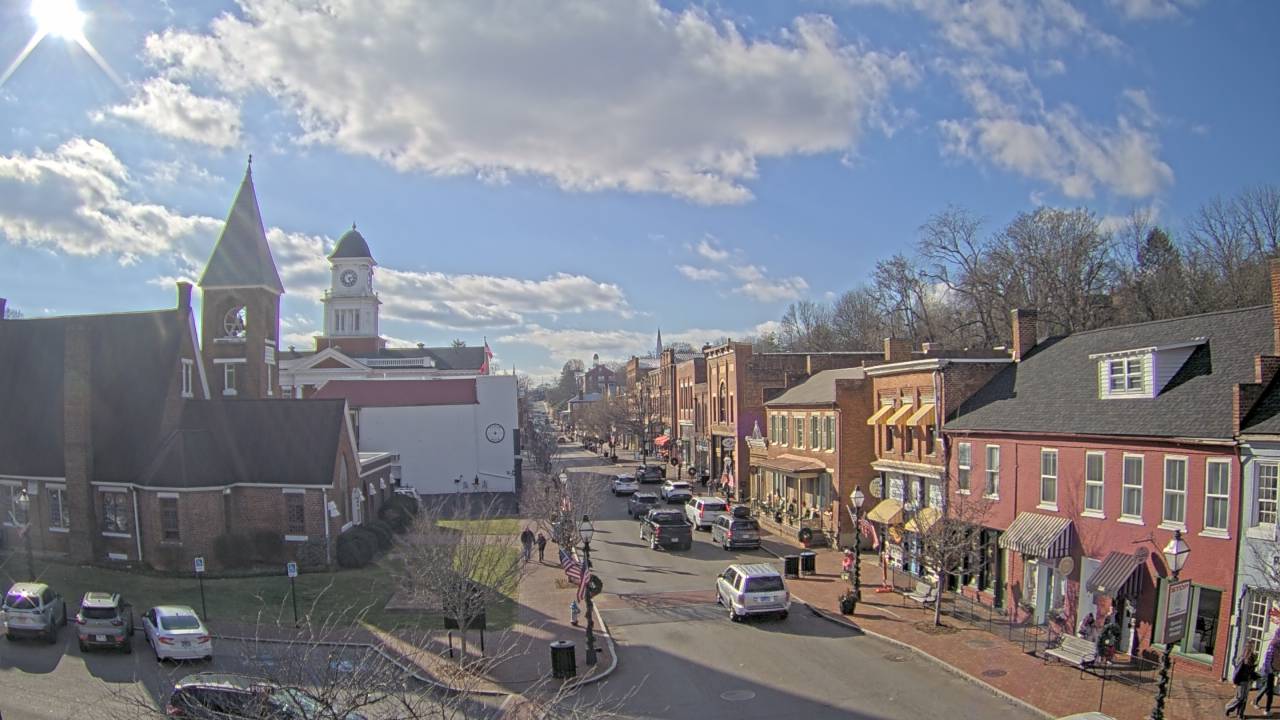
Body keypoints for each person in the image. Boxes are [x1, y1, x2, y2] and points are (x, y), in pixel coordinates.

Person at [1228, 647, 1260, 718]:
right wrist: (1236, 682)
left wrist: (1255, 676)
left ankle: (1240, 714)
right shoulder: (1243, 661)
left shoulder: (1250, 662)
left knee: (1243, 699)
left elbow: (1250, 673)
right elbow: (1237, 672)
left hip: (1247, 682)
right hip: (1242, 682)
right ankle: (1228, 707)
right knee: (1240, 698)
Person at [1255, 631, 1280, 713]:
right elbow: (1268, 658)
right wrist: (1269, 671)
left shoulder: (1277, 645)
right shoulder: (1273, 644)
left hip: (1273, 671)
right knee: (1269, 690)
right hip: (1269, 671)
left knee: (1267, 688)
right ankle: (1267, 710)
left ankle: (1256, 702)